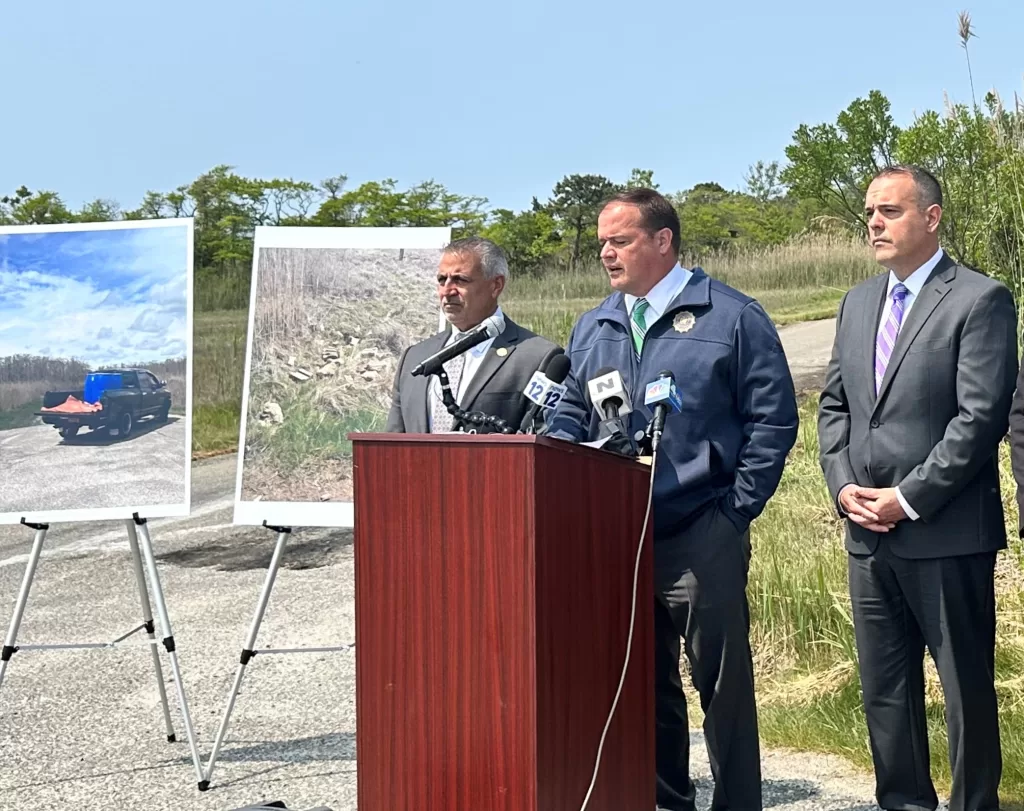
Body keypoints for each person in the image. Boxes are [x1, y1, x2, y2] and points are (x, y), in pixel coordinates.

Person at [545, 187, 799, 811]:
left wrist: (734, 511)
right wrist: (556, 457)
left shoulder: (731, 317)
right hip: (618, 538)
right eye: (603, 241)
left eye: (620, 240)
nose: (606, 252)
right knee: (644, 686)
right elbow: (573, 413)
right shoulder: (595, 323)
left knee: (721, 685)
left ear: (663, 241)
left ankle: (738, 803)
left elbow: (773, 421)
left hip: (699, 532)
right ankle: (667, 801)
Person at [817, 165, 1016, 811]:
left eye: (889, 210)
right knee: (884, 690)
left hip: (945, 531)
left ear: (930, 217)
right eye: (869, 212)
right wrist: (845, 487)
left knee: (964, 690)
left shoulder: (980, 300)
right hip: (867, 537)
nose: (874, 221)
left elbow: (979, 418)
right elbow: (835, 408)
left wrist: (907, 497)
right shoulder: (856, 303)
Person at [385, 236, 562, 434]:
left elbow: (546, 438)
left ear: (496, 286)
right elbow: (393, 442)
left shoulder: (538, 357)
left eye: (460, 280)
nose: (447, 290)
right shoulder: (414, 358)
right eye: (442, 280)